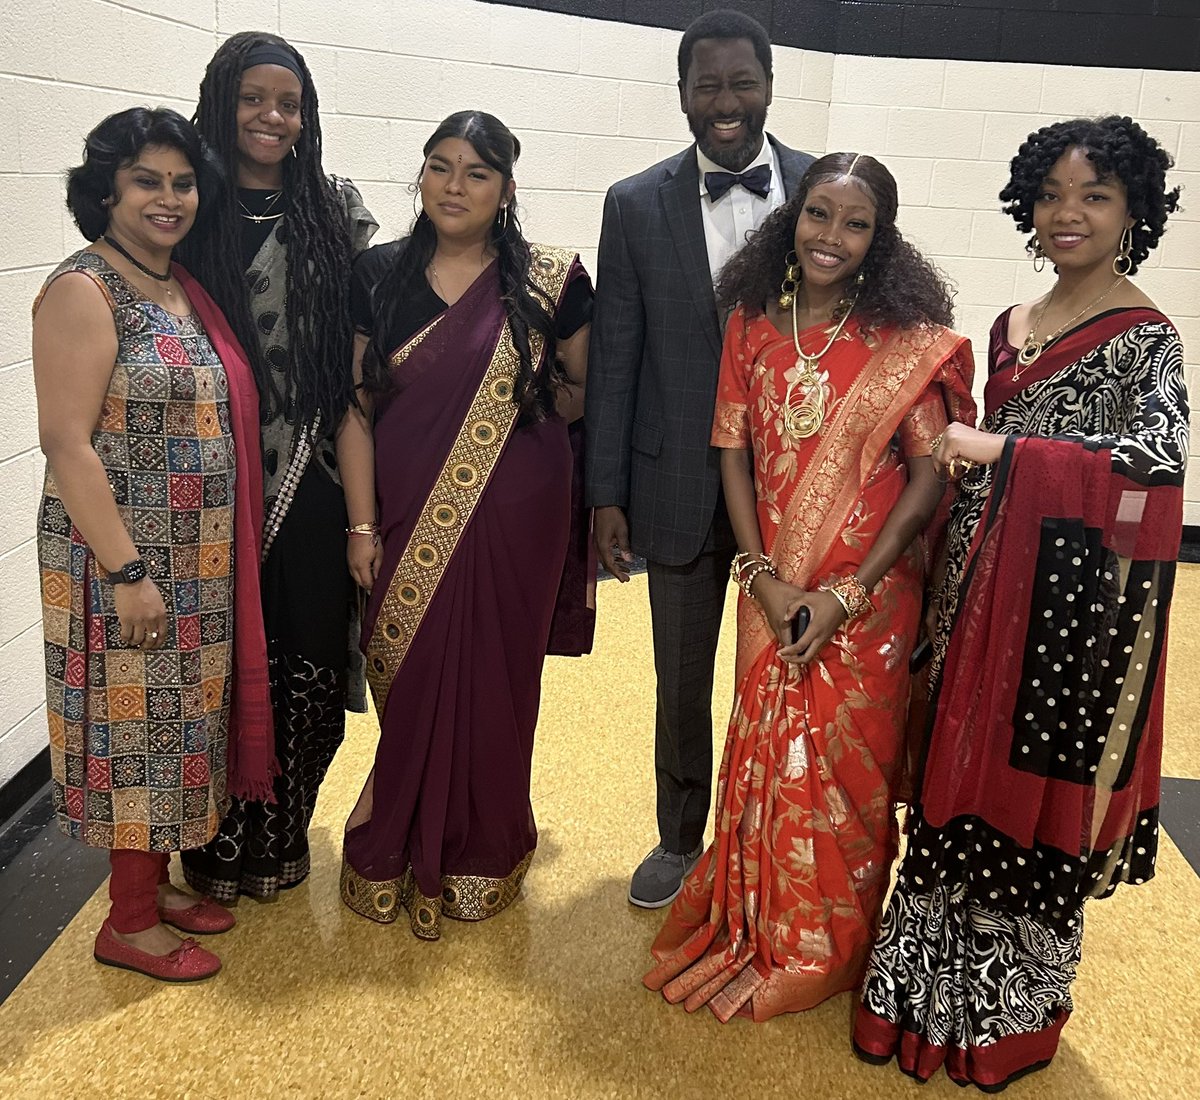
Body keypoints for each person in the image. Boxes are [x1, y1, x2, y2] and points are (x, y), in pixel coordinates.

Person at [854, 117, 1187, 1091]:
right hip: (974, 600)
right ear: (1027, 207)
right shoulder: (1009, 325)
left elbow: (1154, 477)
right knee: (949, 787)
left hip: (1066, 627)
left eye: (1096, 196)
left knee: (1019, 804)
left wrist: (1006, 454)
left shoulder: (1145, 340)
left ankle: (999, 1017)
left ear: (1136, 212)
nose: (1068, 214)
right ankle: (913, 998)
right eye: (1052, 195)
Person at [641, 152, 975, 1020]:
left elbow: (931, 474)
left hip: (867, 597)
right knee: (766, 754)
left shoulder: (904, 341)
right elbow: (731, 448)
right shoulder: (754, 320)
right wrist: (758, 576)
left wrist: (848, 595)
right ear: (795, 219)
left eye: (855, 223)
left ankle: (829, 941)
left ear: (880, 238)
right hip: (775, 587)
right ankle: (758, 921)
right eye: (819, 214)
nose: (832, 236)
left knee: (841, 766)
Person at [337, 111, 594, 940]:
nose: (454, 185)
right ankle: (398, 835)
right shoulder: (375, 274)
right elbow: (355, 408)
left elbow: (581, 391)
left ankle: (484, 848)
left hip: (520, 517)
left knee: (500, 682)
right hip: (403, 509)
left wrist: (509, 432)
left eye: (476, 172)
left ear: (506, 190)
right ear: (421, 176)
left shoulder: (552, 279)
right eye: (439, 167)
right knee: (407, 673)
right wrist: (361, 524)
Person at [34, 107, 272, 981]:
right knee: (132, 731)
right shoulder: (85, 289)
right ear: (106, 190)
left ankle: (156, 886)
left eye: (181, 182)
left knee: (175, 730)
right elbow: (68, 443)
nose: (169, 199)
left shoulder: (171, 284)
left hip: (193, 560)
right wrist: (126, 570)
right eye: (146, 181)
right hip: (123, 557)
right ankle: (128, 925)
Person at [586, 8, 814, 909]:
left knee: (791, 679)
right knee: (679, 683)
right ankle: (680, 840)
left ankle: (776, 841)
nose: (726, 101)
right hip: (673, 483)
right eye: (707, 84)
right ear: (683, 95)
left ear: (767, 85)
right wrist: (605, 493)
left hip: (796, 492)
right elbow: (615, 357)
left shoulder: (821, 194)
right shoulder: (634, 204)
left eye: (741, 81)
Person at [177, 32, 378, 903]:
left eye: (288, 104)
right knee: (216, 663)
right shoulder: (186, 209)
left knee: (307, 660)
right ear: (221, 101)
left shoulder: (337, 212)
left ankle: (283, 833)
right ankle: (211, 845)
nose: (271, 117)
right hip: (211, 484)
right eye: (253, 99)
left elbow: (374, 342)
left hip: (317, 477)